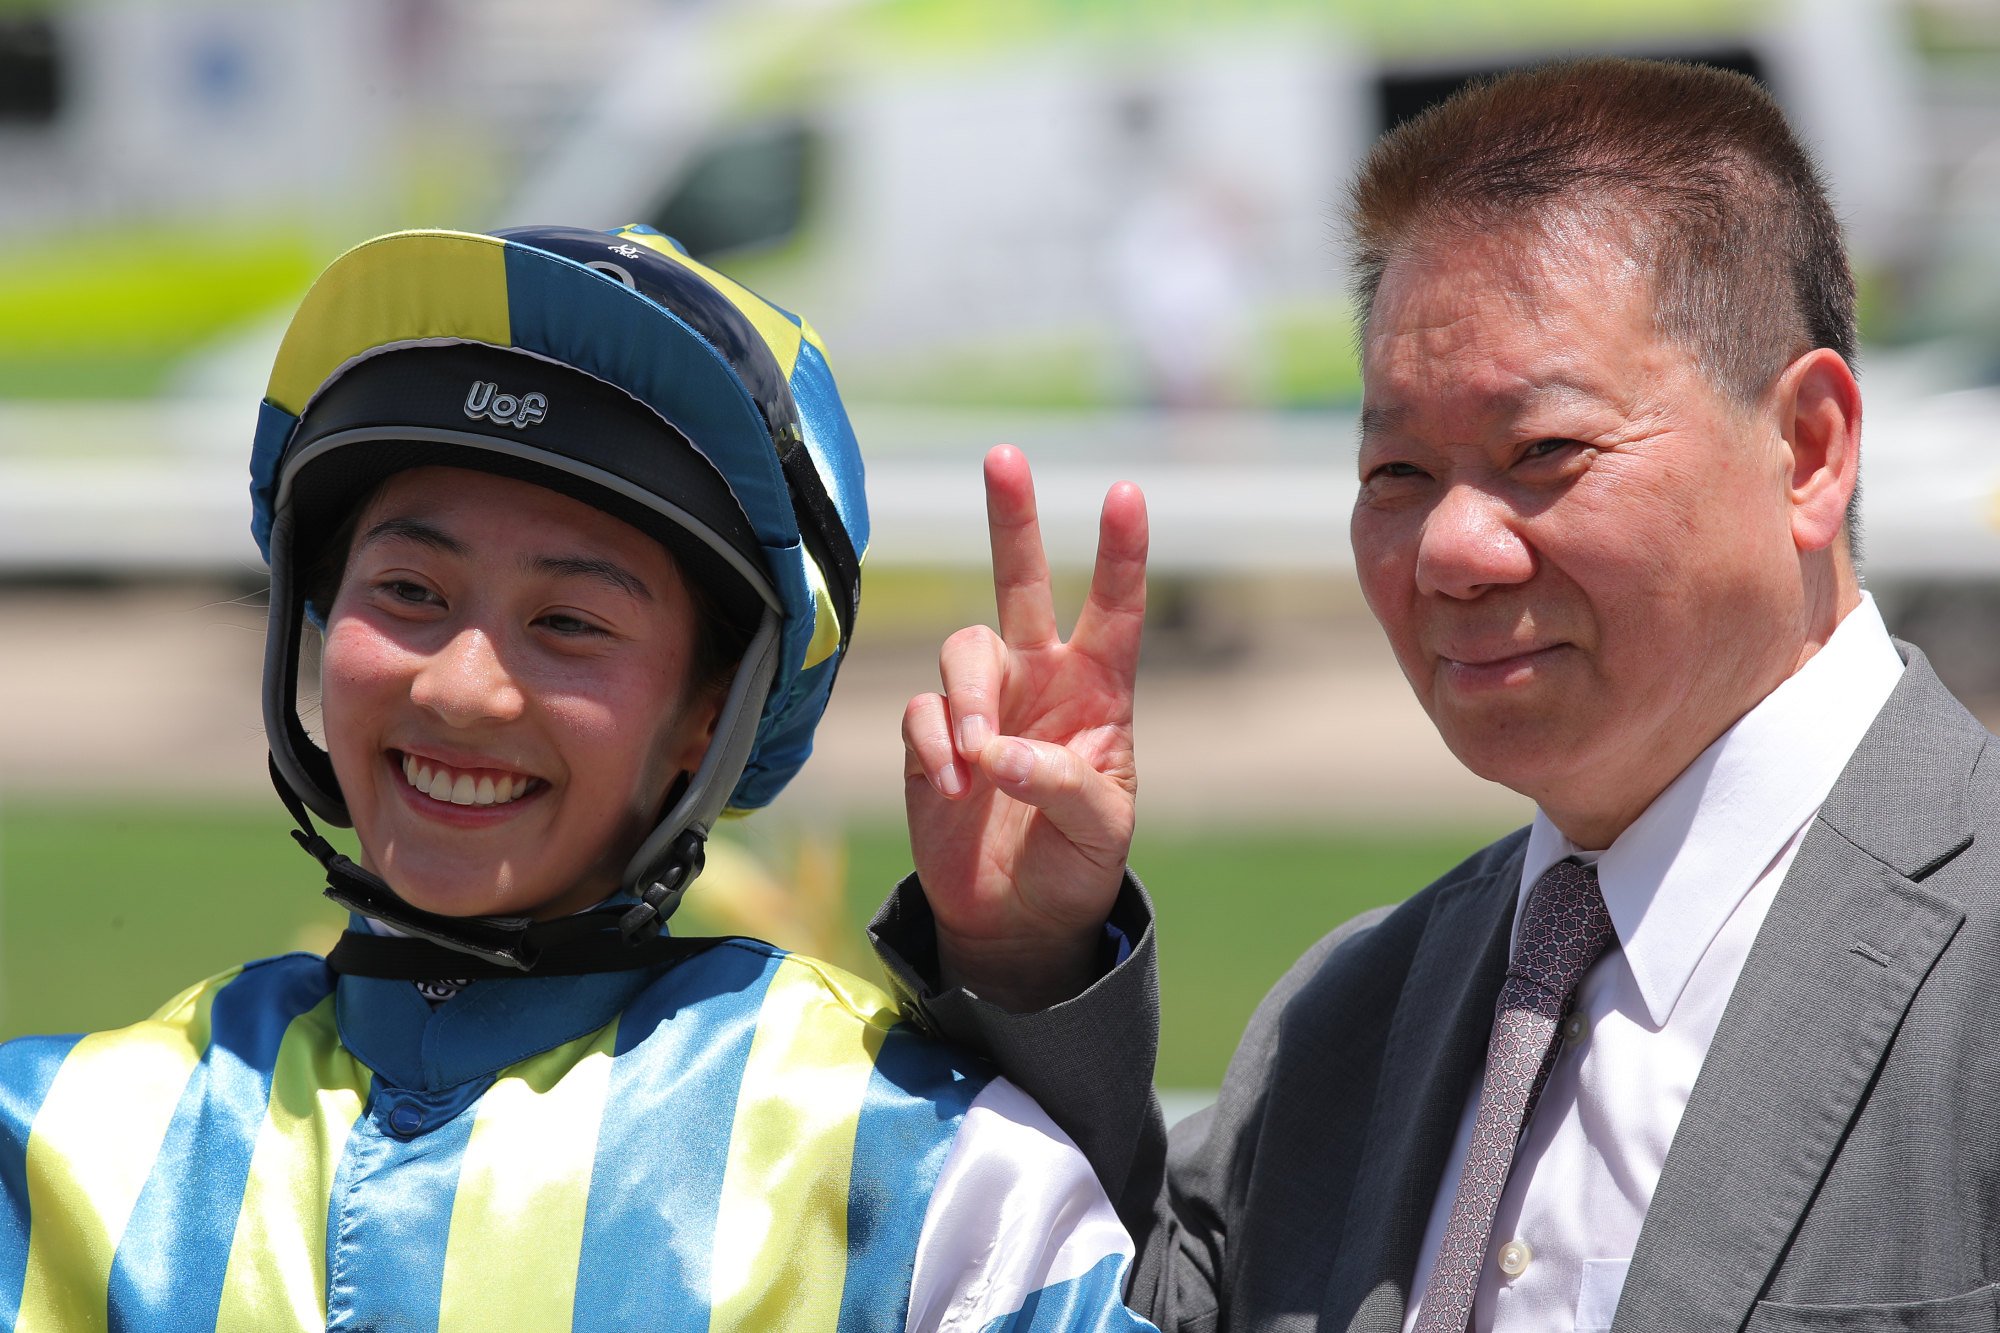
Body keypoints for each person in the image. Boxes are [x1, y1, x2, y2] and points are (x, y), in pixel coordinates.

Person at [882, 58, 2000, 1332]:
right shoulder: (1346, 1017)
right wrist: (1024, 956)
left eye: (1542, 453)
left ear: (1805, 447)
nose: (1452, 549)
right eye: (1397, 470)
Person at [0, 224, 1156, 1332]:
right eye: (408, 590)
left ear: (710, 715)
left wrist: (1022, 964)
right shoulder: (50, 1142)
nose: (461, 688)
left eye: (566, 620)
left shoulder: (926, 1175)